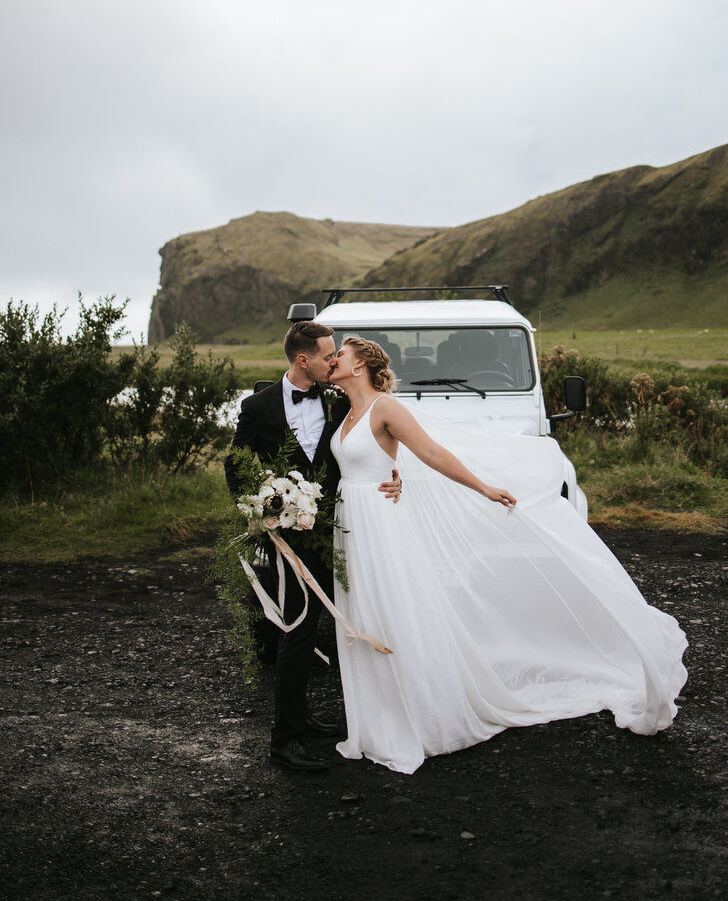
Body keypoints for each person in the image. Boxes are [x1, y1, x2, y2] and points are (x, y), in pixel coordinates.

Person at [327, 336, 689, 775]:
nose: (333, 360)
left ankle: (417, 717)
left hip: (380, 524)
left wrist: (483, 488)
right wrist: (392, 474)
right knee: (363, 613)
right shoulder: (346, 411)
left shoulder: (386, 407)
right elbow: (369, 464)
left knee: (392, 611)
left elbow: (431, 452)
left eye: (340, 355)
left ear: (361, 364)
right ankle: (374, 720)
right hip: (352, 523)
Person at [224, 320, 402, 773]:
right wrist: (261, 508)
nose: (334, 361)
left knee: (331, 619)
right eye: (327, 355)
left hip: (341, 532)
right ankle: (283, 740)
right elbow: (236, 464)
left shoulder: (340, 398)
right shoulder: (257, 407)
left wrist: (395, 472)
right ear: (303, 360)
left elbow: (370, 445)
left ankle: (302, 717)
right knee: (298, 630)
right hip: (286, 540)